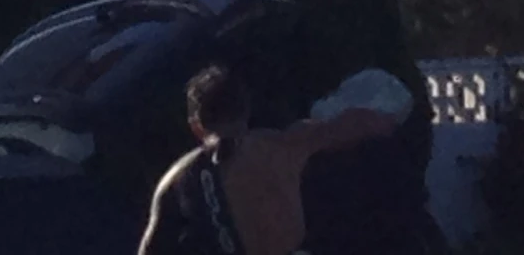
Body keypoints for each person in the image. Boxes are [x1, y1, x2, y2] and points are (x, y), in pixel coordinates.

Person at [139, 61, 410, 255]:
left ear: (195, 125)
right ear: (246, 111)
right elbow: (357, 125)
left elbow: (150, 249)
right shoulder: (282, 145)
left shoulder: (177, 179)